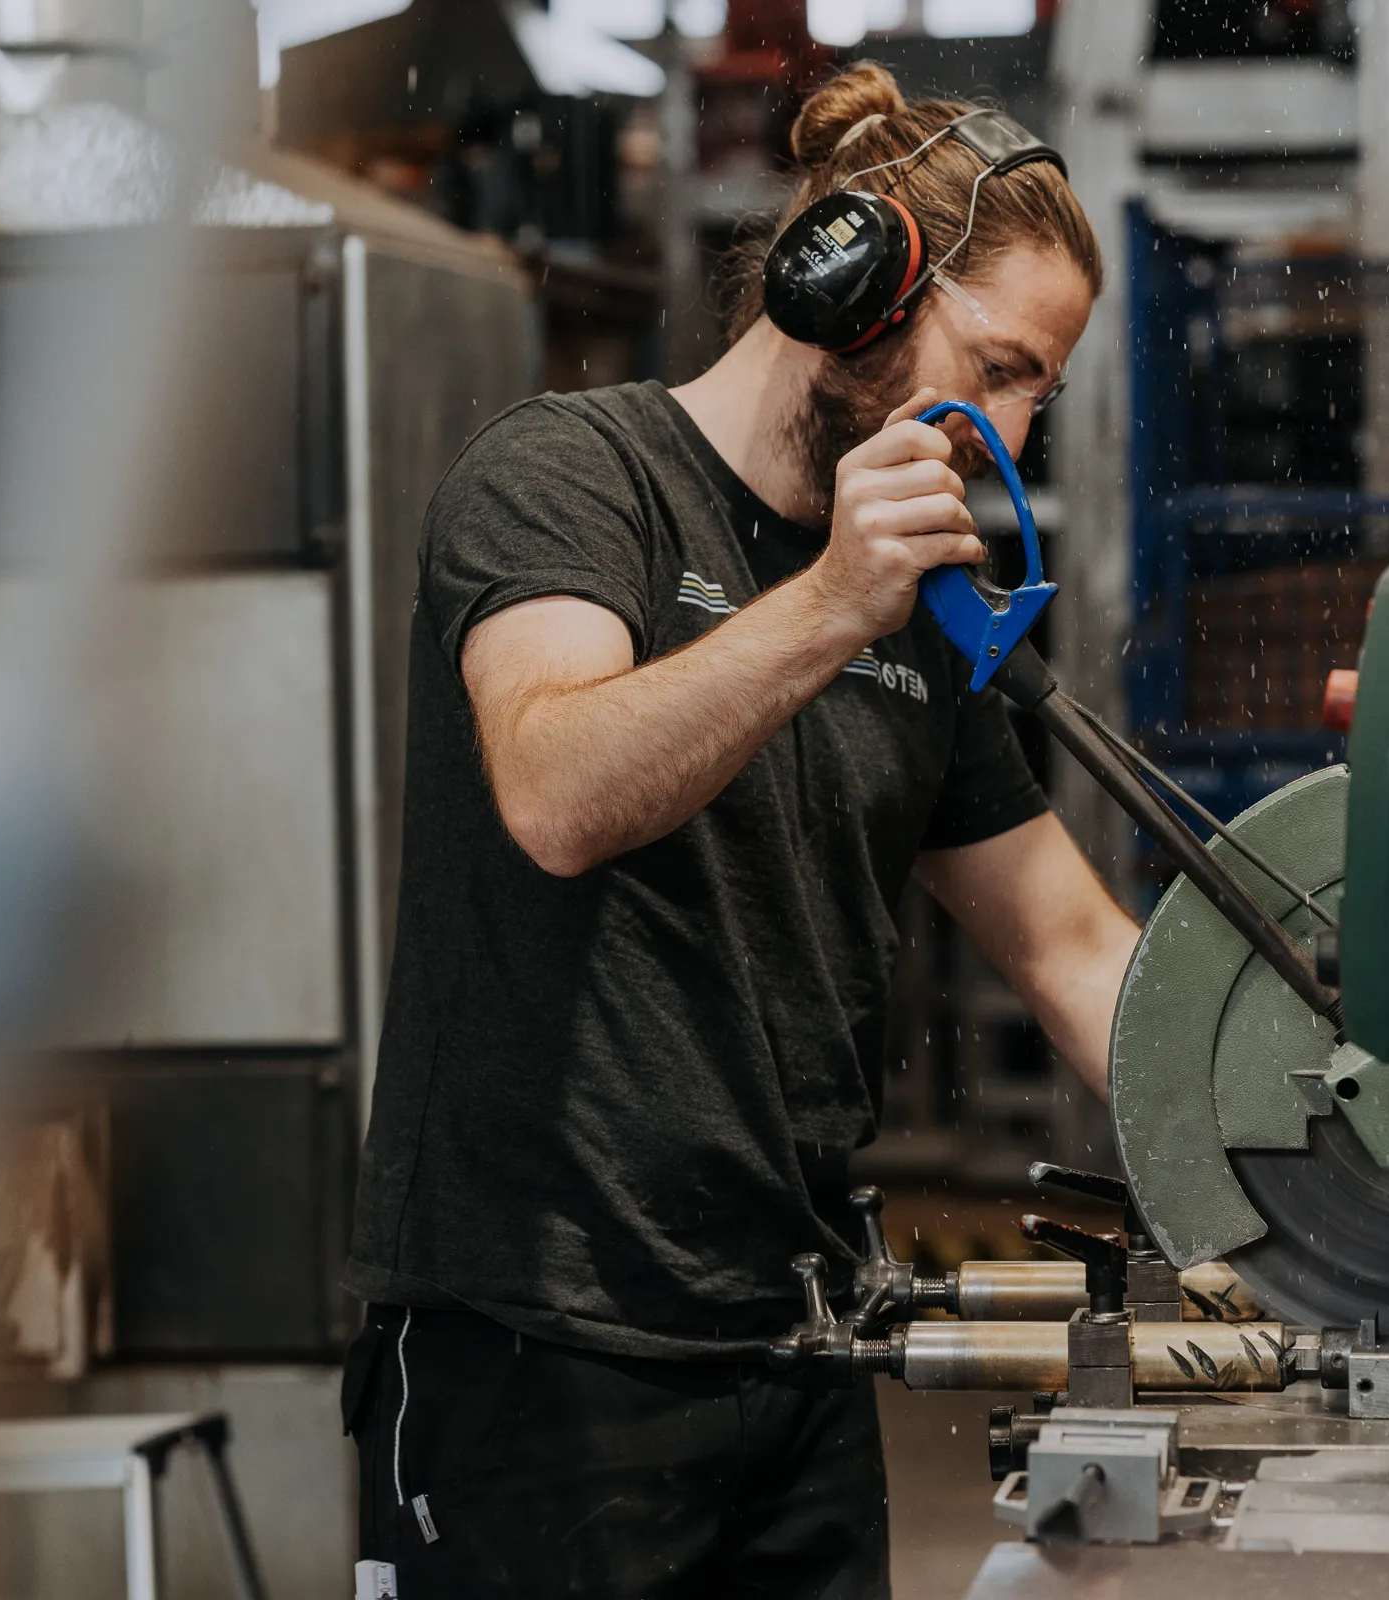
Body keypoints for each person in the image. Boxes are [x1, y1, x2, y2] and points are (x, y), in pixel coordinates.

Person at [342, 61, 1140, 1599]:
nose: (1016, 439)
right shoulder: (573, 481)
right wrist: (833, 604)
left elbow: (1070, 946)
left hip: (795, 1346)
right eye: (1001, 365)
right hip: (544, 1352)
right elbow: (558, 791)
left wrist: (1321, 1149)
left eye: (1044, 388)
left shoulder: (913, 603)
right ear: (858, 287)